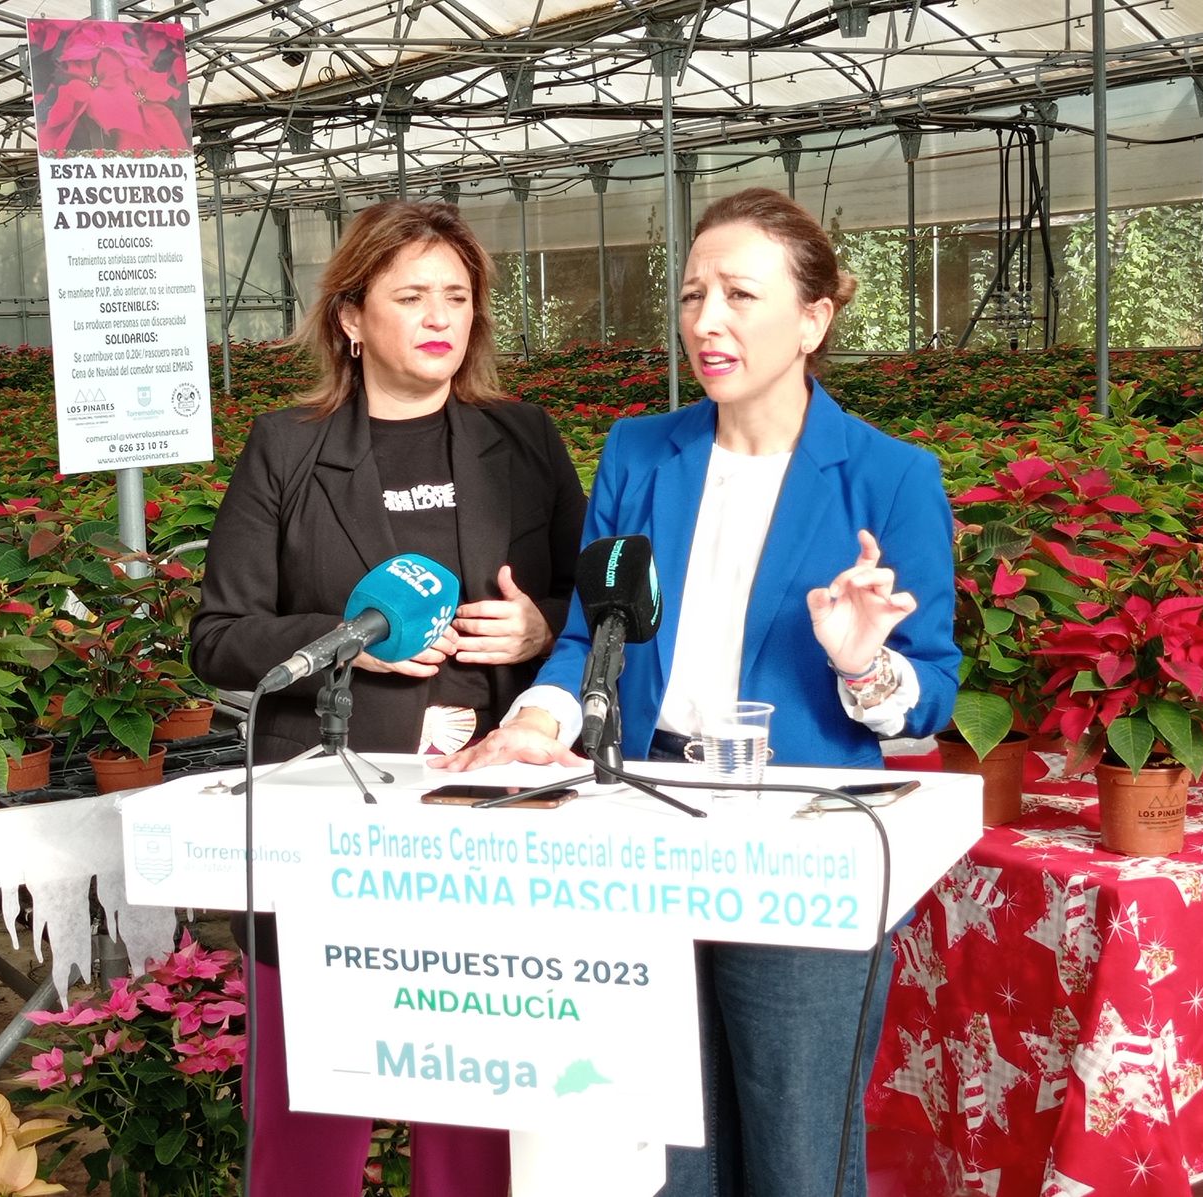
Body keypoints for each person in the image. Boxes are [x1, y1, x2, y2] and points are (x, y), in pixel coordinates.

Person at [432, 187, 960, 1196]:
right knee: (668, 1151)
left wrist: (861, 662)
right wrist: (536, 719)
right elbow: (592, 632)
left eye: (739, 295)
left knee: (798, 1154)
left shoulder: (889, 477)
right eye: (690, 295)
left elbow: (928, 690)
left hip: (800, 838)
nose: (707, 321)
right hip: (648, 819)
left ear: (813, 318)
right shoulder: (642, 452)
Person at [186, 199, 586, 1197]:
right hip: (330, 821)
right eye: (410, 297)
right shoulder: (286, 447)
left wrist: (538, 628)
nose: (439, 316)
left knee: (475, 1124)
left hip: (489, 818)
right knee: (309, 1125)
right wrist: (345, 645)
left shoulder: (522, 438)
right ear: (352, 318)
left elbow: (591, 610)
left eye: (456, 295)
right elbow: (219, 637)